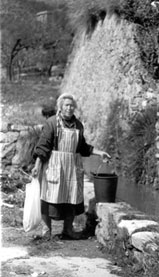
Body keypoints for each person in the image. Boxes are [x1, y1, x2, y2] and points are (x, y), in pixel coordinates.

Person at [31, 93, 111, 241]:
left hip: (72, 167)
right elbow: (42, 148)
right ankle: (46, 230)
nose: (69, 108)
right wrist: (37, 166)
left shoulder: (78, 125)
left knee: (71, 198)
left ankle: (68, 229)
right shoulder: (52, 123)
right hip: (54, 166)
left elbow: (83, 147)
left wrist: (100, 153)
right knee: (49, 197)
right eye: (66, 105)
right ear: (60, 107)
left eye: (72, 105)